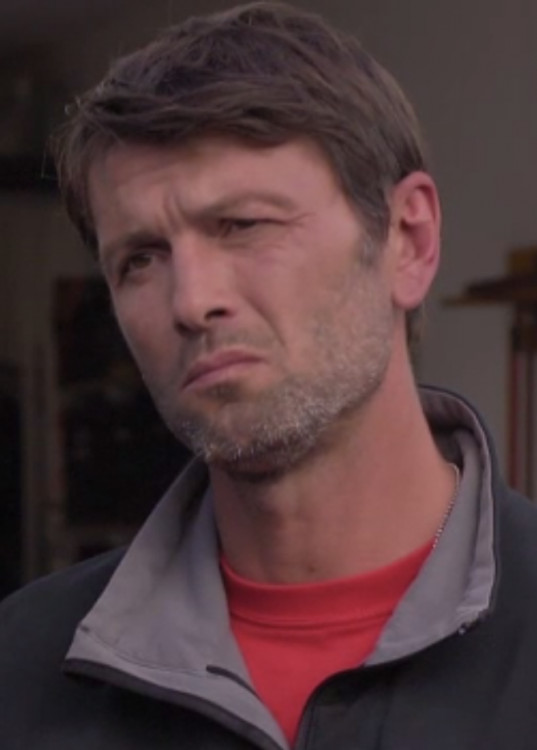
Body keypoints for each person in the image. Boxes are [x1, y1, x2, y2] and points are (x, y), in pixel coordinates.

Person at [2, 3, 537, 748]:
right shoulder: (21, 673)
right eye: (140, 260)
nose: (191, 301)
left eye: (242, 225)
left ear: (408, 241)